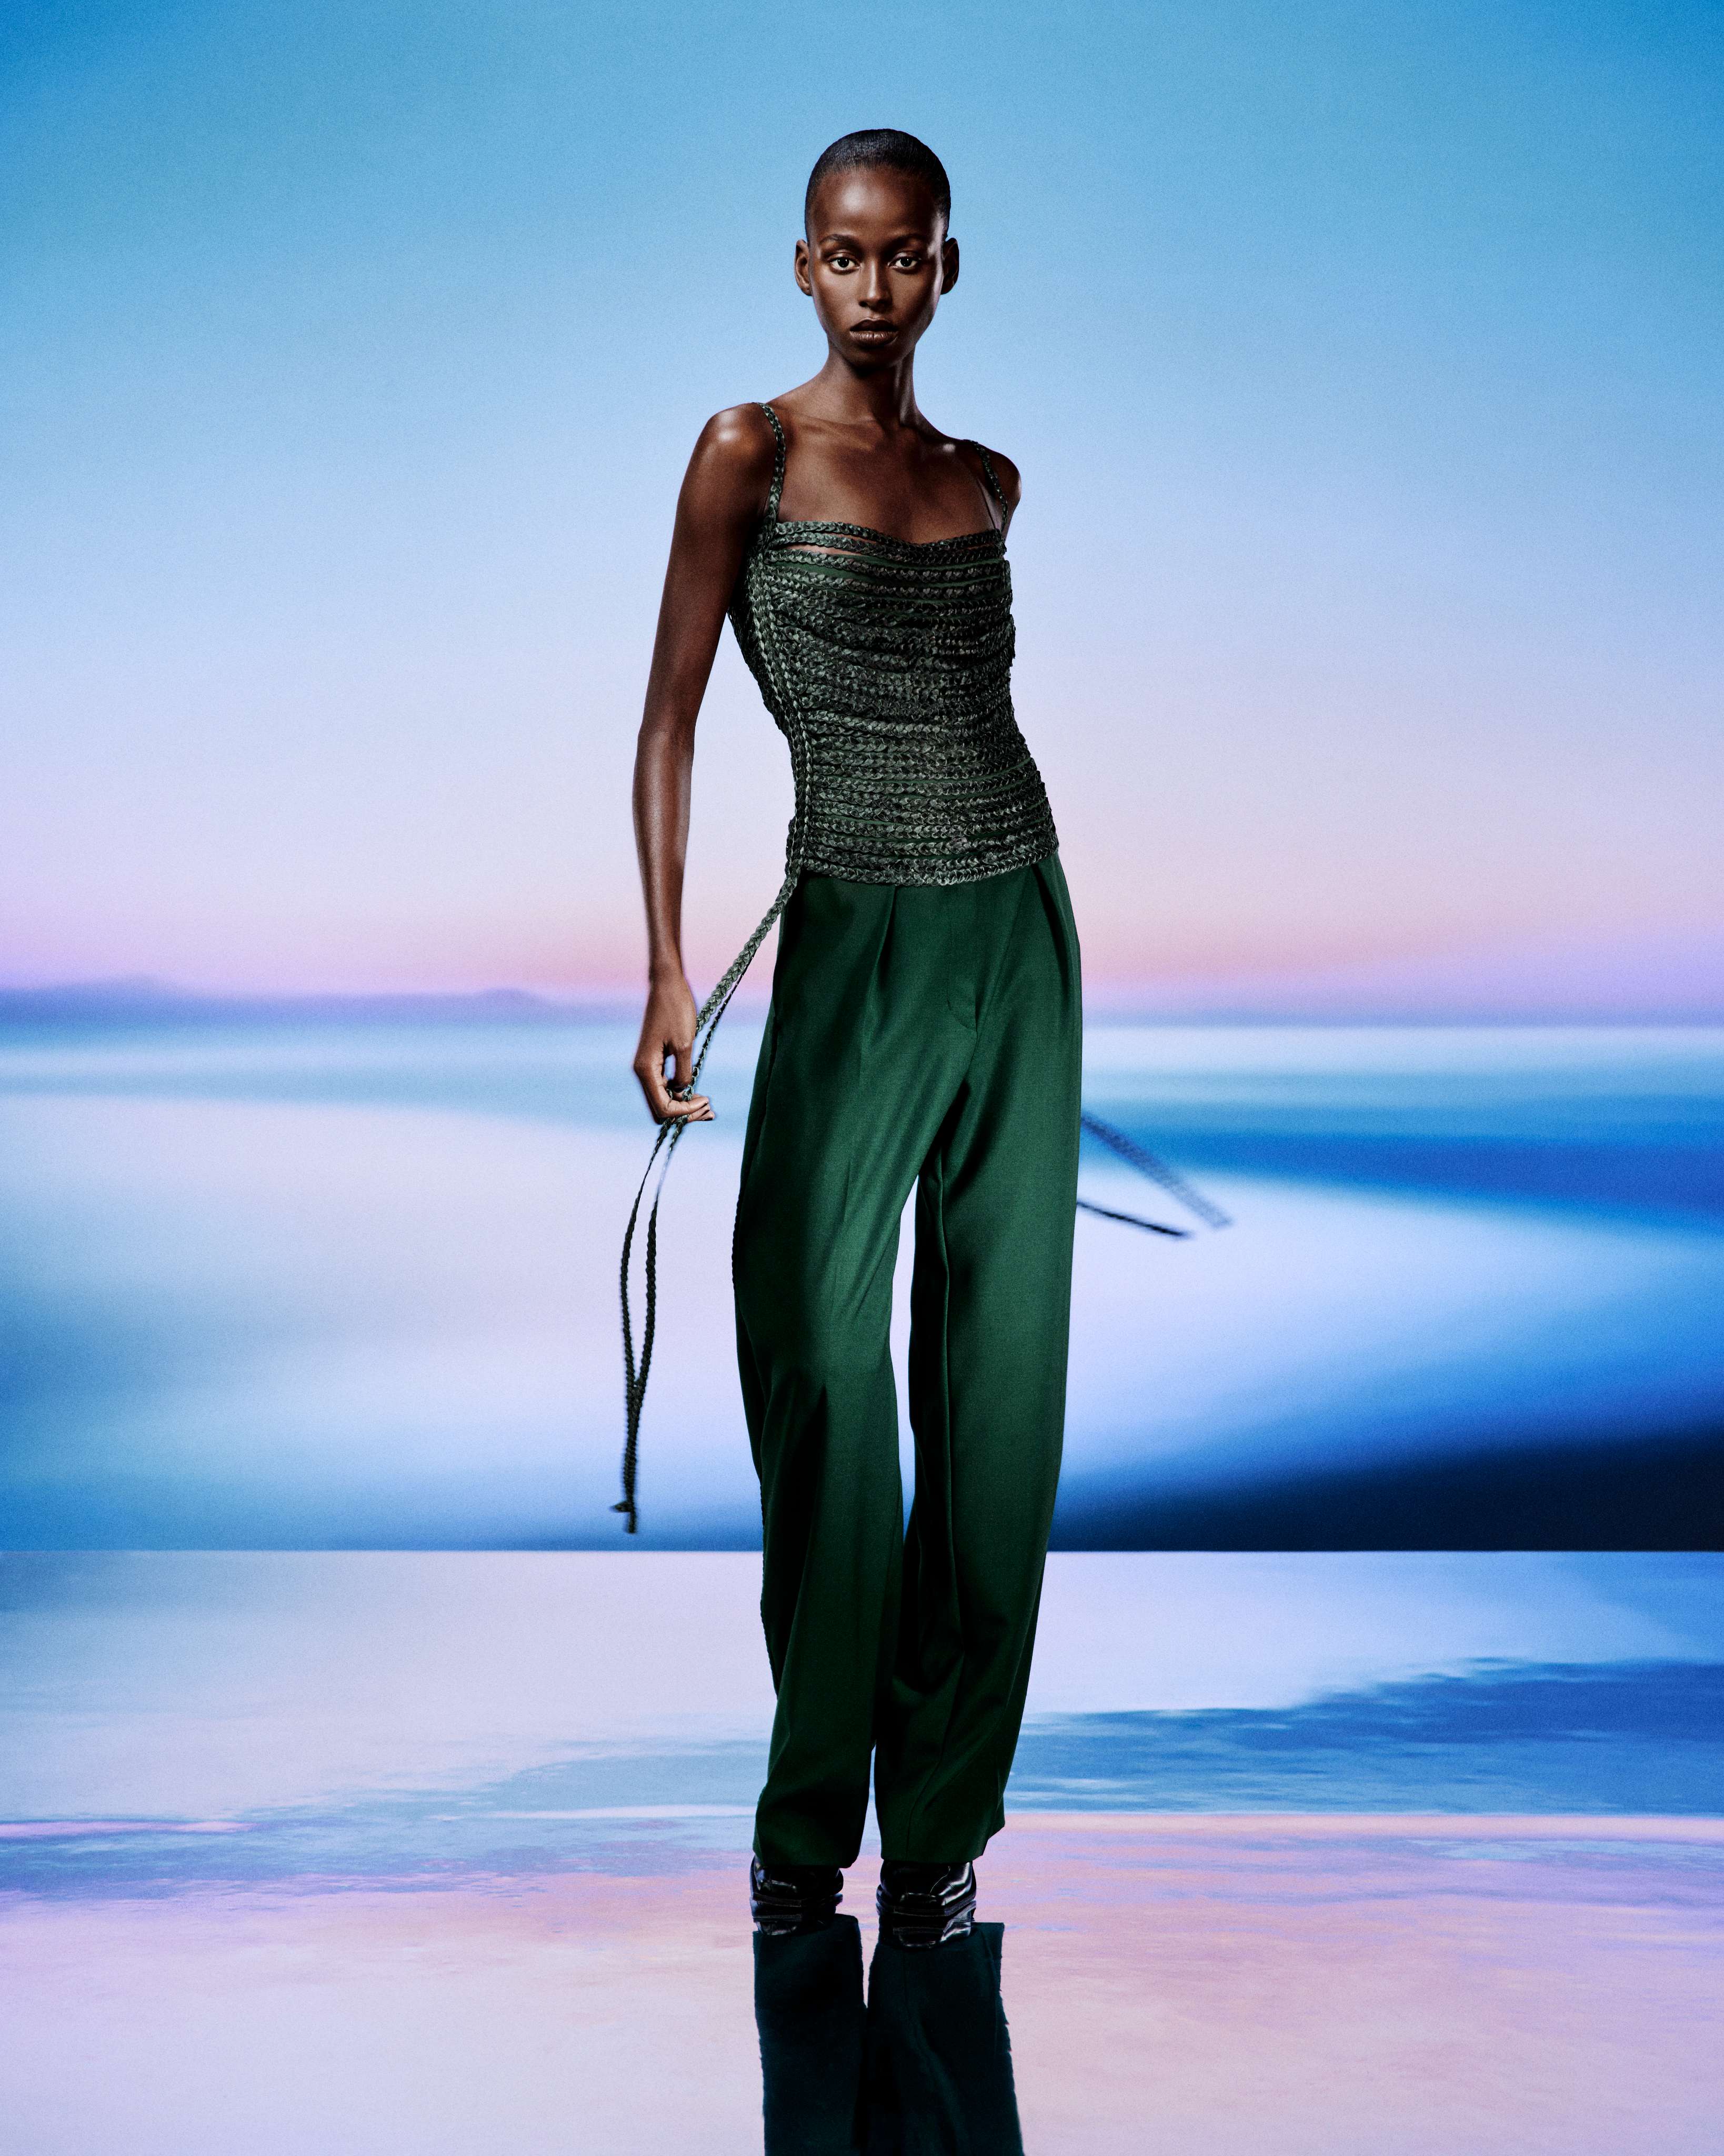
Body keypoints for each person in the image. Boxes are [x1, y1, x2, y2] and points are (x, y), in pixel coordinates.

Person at [626, 128, 1081, 1951]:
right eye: (842, 252)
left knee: (996, 1390)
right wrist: (666, 970)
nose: (873, 285)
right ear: (801, 263)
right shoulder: (746, 450)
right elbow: (667, 720)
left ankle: (944, 1828)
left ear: (945, 268)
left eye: (904, 255)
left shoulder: (986, 481)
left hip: (1018, 930)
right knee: (817, 1361)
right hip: (851, 934)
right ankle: (807, 1816)